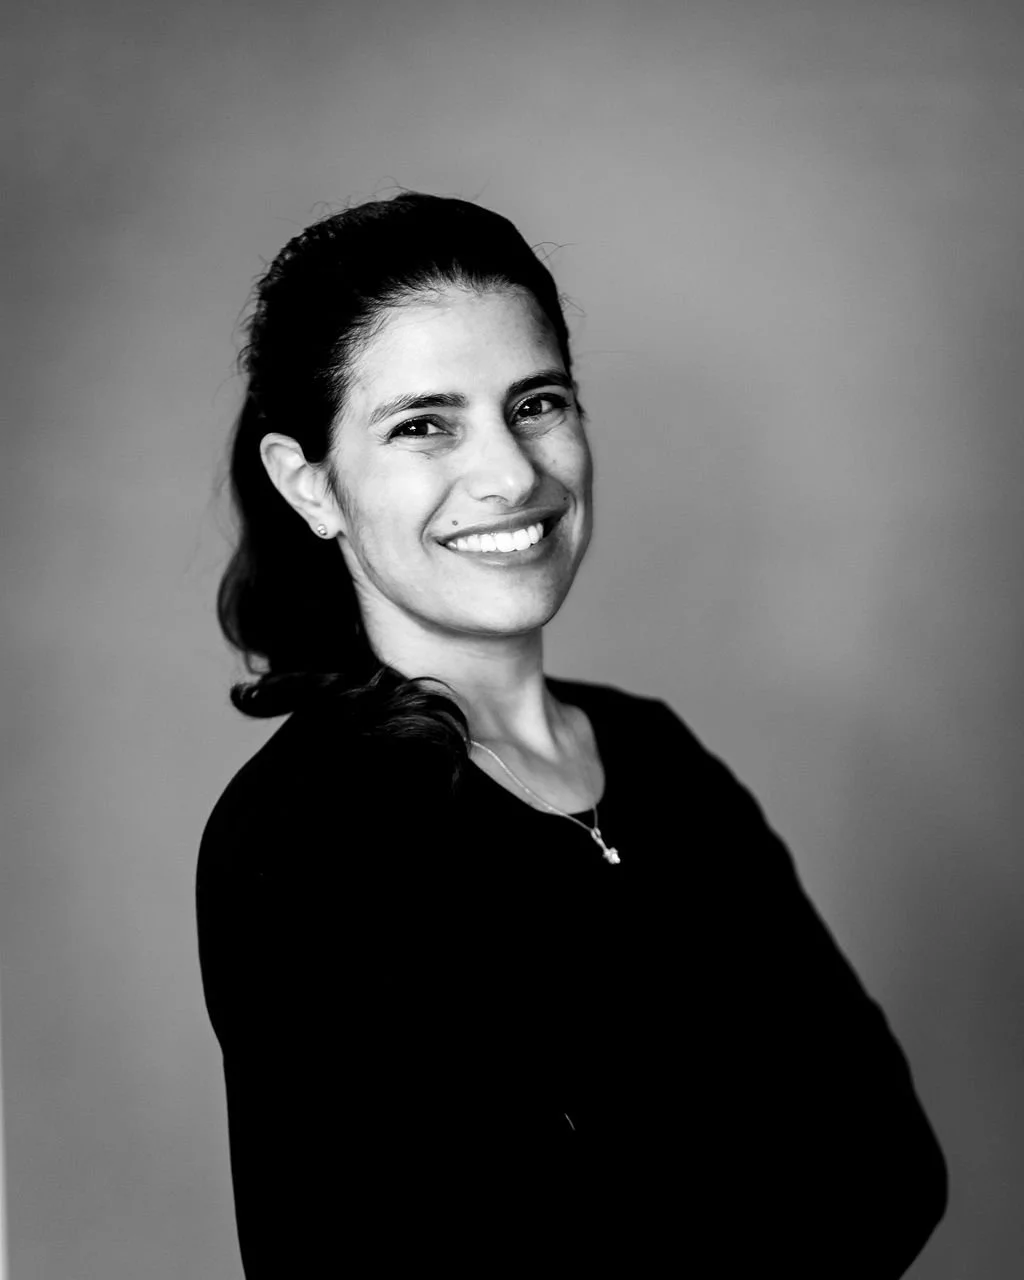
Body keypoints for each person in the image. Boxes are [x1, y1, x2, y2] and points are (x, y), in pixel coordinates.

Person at [196, 191, 948, 1276]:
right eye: (423, 423)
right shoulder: (313, 834)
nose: (510, 473)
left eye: (536, 402)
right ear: (308, 482)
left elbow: (893, 1165)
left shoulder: (655, 756)